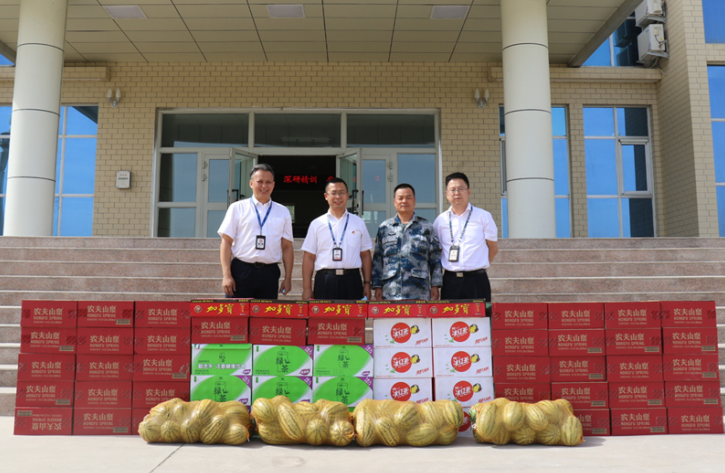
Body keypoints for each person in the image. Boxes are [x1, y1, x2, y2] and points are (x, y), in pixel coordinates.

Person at [218, 163, 294, 299]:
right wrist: (226, 275)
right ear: (251, 183)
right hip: (241, 271)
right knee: (237, 317)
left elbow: (287, 247)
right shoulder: (237, 208)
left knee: (265, 318)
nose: (264, 186)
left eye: (268, 182)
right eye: (260, 182)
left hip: (269, 273)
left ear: (273, 185)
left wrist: (288, 278)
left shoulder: (283, 211)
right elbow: (226, 242)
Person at [301, 177, 374, 300]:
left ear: (347, 195)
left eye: (341, 193)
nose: (338, 197)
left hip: (352, 280)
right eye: (333, 193)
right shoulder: (317, 223)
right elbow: (309, 257)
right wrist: (307, 288)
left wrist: (367, 283)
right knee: (324, 319)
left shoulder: (358, 222)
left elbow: (365, 255)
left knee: (352, 319)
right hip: (325, 280)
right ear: (326, 196)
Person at [433, 172, 498, 302]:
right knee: (450, 320)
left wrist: (480, 265)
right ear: (447, 194)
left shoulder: (483, 216)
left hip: (477, 280)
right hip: (450, 280)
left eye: (461, 189)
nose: (457, 193)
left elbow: (493, 247)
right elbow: (438, 252)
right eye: (453, 190)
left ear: (468, 192)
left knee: (480, 320)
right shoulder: (440, 221)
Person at [371, 183, 442, 301]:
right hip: (391, 292)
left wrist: (435, 285)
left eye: (408, 197)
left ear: (414, 201)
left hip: (419, 292)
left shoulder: (426, 227)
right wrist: (377, 286)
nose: (404, 201)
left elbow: (435, 259)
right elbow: (378, 259)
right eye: (400, 198)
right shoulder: (385, 227)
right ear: (394, 202)